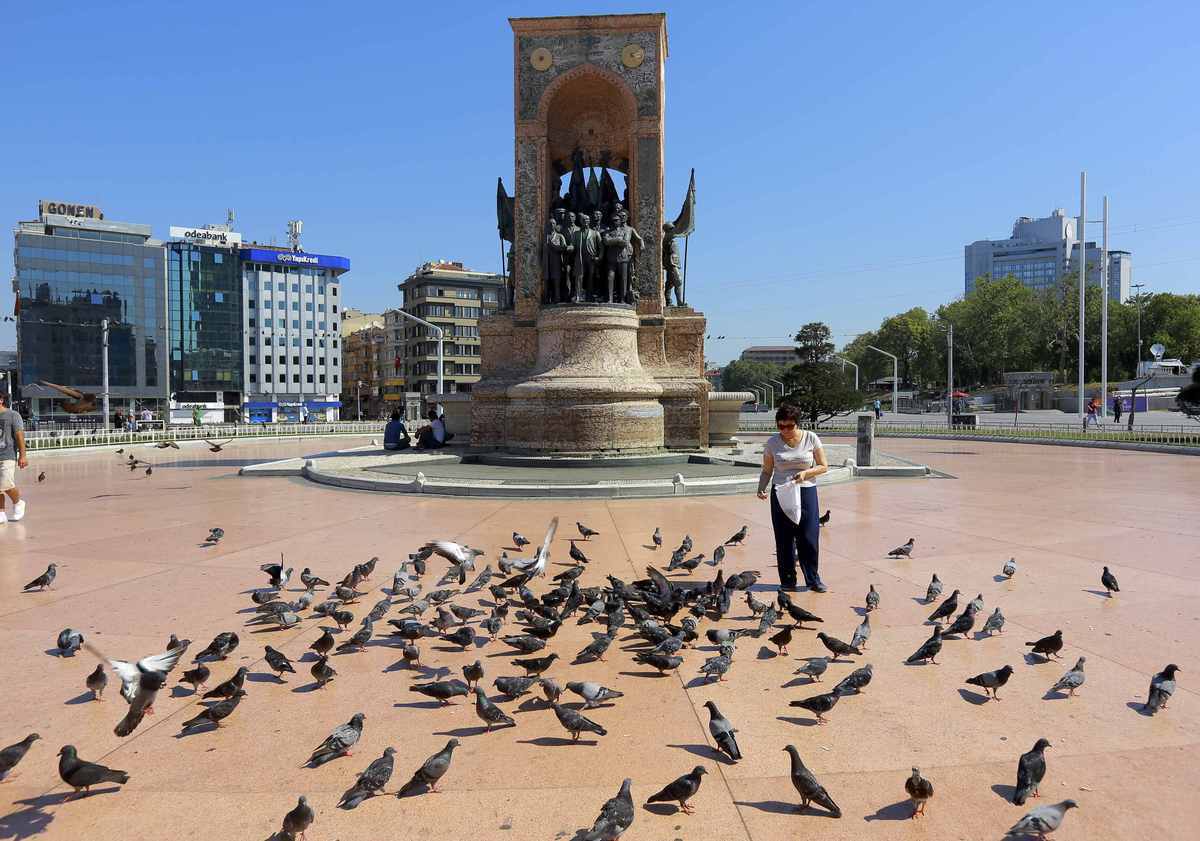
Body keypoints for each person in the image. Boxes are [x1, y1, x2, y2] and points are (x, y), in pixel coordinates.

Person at [757, 403, 829, 593]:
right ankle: (788, 580)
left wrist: (806, 474)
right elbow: (767, 470)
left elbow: (823, 466)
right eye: (781, 426)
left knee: (809, 536)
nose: (785, 430)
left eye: (789, 426)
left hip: (806, 490)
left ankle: (813, 579)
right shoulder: (772, 443)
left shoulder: (811, 438)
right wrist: (761, 488)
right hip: (781, 491)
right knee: (784, 538)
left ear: (797, 424)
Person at [0, 393, 29, 524]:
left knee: (5, 483)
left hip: (7, 455)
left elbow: (19, 435)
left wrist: (23, 455)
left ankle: (18, 502)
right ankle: (1, 513)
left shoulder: (13, 415)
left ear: (1, 400)